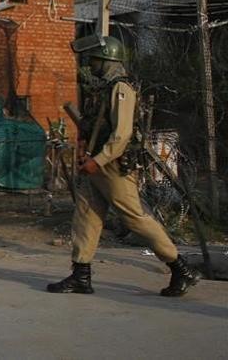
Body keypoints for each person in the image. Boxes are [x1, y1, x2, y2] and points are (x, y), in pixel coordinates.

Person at [48, 36, 199, 297]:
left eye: (95, 59)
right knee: (86, 218)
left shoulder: (121, 89)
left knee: (135, 218)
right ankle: (81, 275)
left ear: (107, 60)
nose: (91, 64)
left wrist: (98, 160)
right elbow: (95, 128)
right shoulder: (102, 89)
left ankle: (180, 267)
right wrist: (88, 156)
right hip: (96, 164)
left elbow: (122, 134)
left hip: (113, 166)